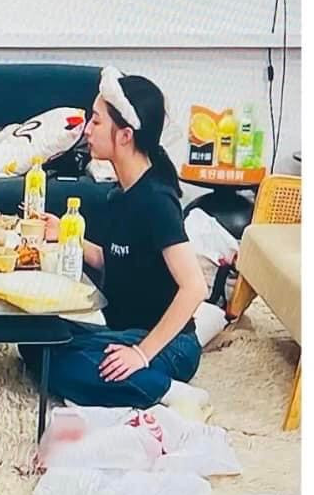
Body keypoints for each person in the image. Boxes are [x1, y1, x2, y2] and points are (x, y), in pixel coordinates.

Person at [22, 68, 207, 409]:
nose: (87, 130)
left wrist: (141, 354)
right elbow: (118, 259)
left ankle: (169, 392)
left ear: (125, 135)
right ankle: (132, 380)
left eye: (95, 121)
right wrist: (65, 233)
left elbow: (195, 287)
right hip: (123, 331)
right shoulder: (119, 195)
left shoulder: (156, 200)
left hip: (168, 345)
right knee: (34, 341)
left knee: (62, 365)